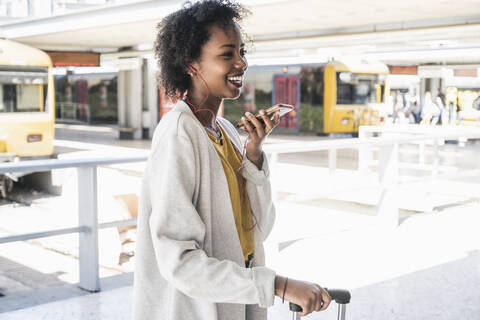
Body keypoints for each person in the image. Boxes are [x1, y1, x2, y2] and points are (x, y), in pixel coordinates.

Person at [132, 1, 331, 320]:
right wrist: (279, 286)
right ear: (190, 63)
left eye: (242, 51)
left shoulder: (223, 129)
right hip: (196, 310)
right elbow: (179, 262)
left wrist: (252, 156)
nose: (241, 62)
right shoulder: (178, 135)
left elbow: (259, 228)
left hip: (236, 302)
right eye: (227, 54)